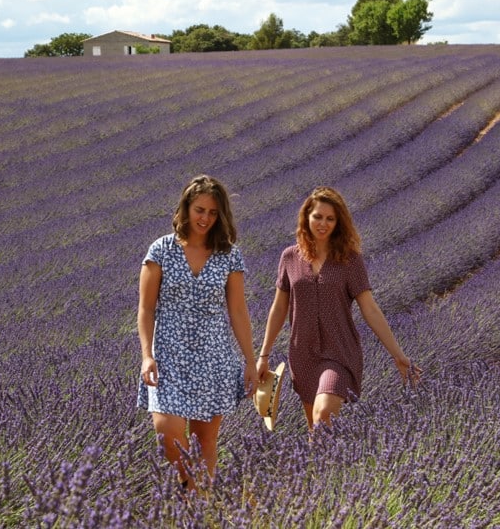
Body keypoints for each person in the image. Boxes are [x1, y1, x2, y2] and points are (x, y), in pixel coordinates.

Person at [257, 186, 421, 430]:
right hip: (302, 354)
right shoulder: (289, 257)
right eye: (318, 217)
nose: (323, 223)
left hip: (339, 352)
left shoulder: (349, 260)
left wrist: (398, 355)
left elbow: (370, 309)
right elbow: (279, 308)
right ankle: (319, 469)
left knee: (323, 414)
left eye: (330, 219)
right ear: (306, 218)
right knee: (316, 429)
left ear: (338, 223)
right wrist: (264, 355)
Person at [137, 175, 258, 489]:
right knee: (167, 432)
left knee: (204, 440)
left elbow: (238, 311)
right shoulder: (161, 250)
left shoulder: (228, 255)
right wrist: (147, 356)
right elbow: (146, 309)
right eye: (200, 209)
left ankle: (197, 509)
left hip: (212, 357)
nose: (205, 218)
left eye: (213, 213)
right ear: (186, 208)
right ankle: (193, 487)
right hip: (168, 357)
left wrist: (250, 359)